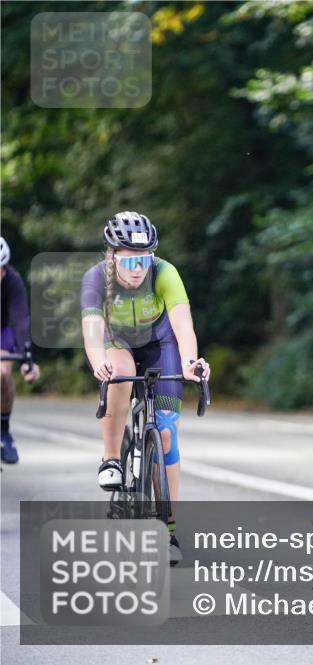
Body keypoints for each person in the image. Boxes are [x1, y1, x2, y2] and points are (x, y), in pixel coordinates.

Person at [80, 212, 210, 564]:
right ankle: (111, 458)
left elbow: (183, 325)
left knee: (166, 433)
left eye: (145, 259)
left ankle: (167, 529)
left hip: (159, 343)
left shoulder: (165, 273)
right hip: (116, 341)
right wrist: (98, 363)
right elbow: (92, 330)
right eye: (131, 260)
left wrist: (190, 363)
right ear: (112, 256)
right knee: (119, 371)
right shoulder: (95, 278)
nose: (139, 268)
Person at [1, 236, 41, 463]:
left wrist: (27, 357)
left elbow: (21, 320)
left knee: (3, 373)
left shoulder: (12, 281)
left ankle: (4, 431)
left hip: (2, 329)